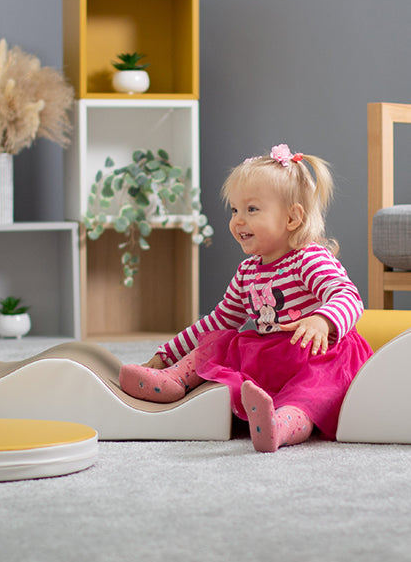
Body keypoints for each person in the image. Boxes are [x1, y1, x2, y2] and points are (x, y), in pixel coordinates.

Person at [119, 144, 373, 452]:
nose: (238, 220)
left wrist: (323, 320)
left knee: (310, 393)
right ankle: (173, 380)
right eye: (235, 210)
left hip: (317, 356)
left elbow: (347, 295)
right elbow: (218, 321)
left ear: (292, 218)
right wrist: (165, 355)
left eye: (251, 210)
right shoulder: (247, 271)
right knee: (222, 339)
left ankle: (279, 427)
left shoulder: (309, 258)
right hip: (273, 356)